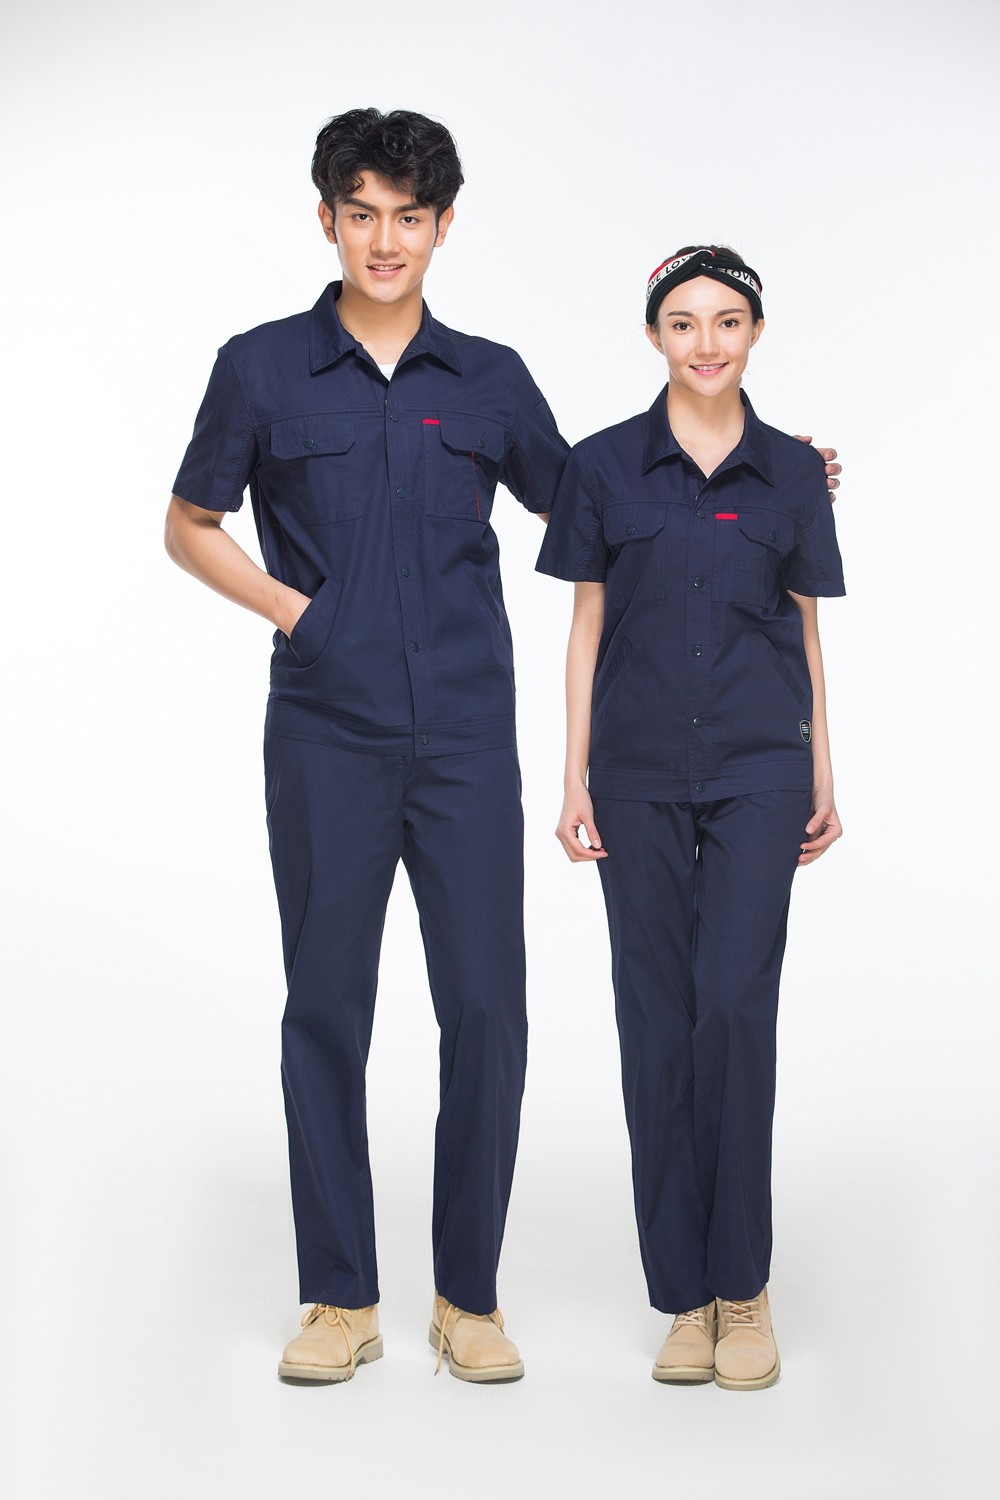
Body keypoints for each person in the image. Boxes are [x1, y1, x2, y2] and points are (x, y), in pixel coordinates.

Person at [164, 108, 569, 1384]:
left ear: (443, 226)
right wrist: (298, 613)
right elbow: (188, 524)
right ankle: (338, 1300)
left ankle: (468, 1298)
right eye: (361, 213)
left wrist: (762, 462)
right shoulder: (261, 367)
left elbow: (591, 506)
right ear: (326, 218)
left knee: (486, 1011)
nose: (384, 240)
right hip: (326, 733)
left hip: (466, 736)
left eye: (409, 216)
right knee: (327, 1007)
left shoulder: (490, 378)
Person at [536, 246, 845, 1391]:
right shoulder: (601, 466)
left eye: (725, 321)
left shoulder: (793, 473)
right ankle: (684, 1297)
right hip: (636, 771)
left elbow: (803, 625)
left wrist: (823, 767)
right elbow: (585, 624)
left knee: (734, 1008)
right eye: (682, 322)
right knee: (656, 1020)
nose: (704, 342)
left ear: (755, 333)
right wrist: (572, 775)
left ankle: (743, 1287)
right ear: (653, 336)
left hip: (762, 767)